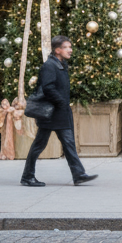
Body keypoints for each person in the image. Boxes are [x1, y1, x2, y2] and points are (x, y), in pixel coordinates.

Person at [21, 35, 98, 187]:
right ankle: (27, 176)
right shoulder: (50, 65)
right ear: (57, 50)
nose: (70, 50)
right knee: (39, 145)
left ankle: (78, 174)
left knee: (68, 143)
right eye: (66, 47)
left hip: (59, 113)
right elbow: (48, 87)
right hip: (51, 114)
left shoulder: (60, 64)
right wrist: (61, 102)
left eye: (70, 47)